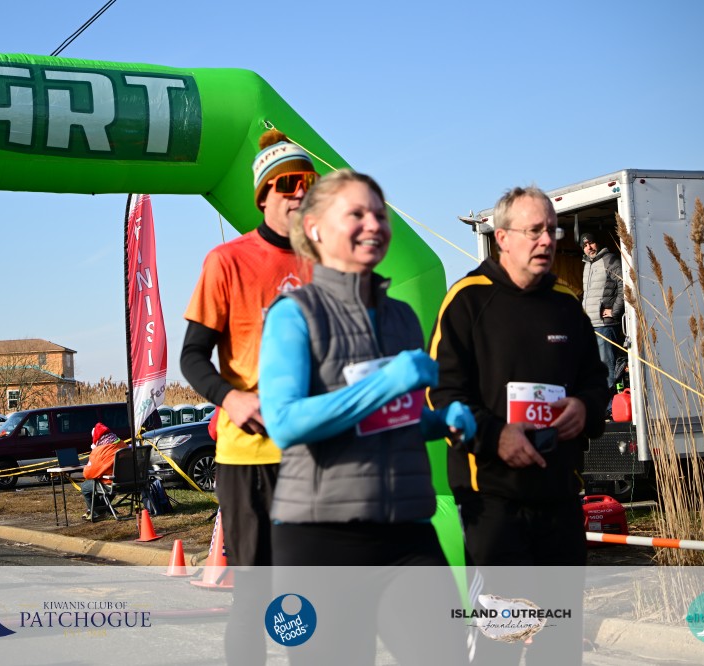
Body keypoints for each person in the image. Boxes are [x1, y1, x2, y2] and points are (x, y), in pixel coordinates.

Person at [259, 169, 472, 665]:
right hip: (321, 540)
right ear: (314, 228)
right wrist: (388, 382)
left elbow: (391, 420)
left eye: (380, 213)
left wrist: (439, 422)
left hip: (407, 531)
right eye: (356, 214)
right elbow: (285, 422)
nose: (374, 224)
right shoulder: (293, 314)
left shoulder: (402, 317)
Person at [427, 186, 609, 666]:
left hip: (559, 497)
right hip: (492, 501)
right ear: (502, 237)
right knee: (501, 643)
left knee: (559, 643)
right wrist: (495, 436)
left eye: (552, 230)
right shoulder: (467, 300)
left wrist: (586, 407)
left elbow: (597, 381)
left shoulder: (567, 305)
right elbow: (439, 395)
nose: (547, 240)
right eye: (534, 231)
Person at [181, 129, 317, 664]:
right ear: (263, 195)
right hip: (249, 455)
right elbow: (193, 356)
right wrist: (231, 399)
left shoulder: (328, 264)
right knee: (256, 595)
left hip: (313, 454)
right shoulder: (227, 260)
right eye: (285, 183)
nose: (298, 191)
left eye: (307, 182)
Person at [580, 231, 625, 394]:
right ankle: (600, 403)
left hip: (605, 325)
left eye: (591, 243)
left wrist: (615, 311)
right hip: (590, 325)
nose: (589, 247)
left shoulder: (610, 260)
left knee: (607, 368)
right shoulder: (588, 264)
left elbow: (624, 285)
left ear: (597, 243)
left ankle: (610, 405)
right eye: (585, 245)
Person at [79, 423, 127, 521]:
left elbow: (88, 474)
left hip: (112, 484)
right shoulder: (123, 444)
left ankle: (97, 513)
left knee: (85, 486)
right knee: (109, 481)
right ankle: (103, 509)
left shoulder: (100, 451)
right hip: (130, 482)